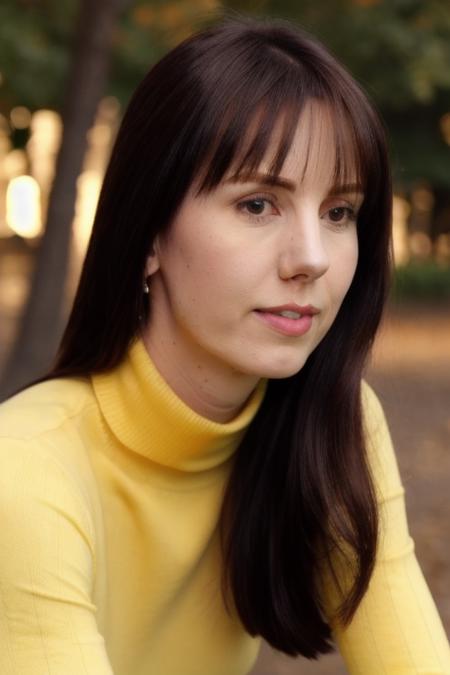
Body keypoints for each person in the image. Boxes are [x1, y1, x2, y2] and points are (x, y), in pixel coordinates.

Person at [0, 16, 449, 675]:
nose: (312, 259)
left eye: (339, 211)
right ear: (149, 232)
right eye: (258, 204)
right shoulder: (24, 474)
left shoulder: (332, 426)